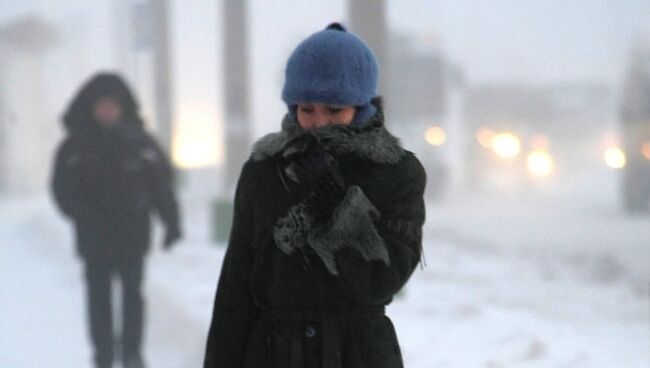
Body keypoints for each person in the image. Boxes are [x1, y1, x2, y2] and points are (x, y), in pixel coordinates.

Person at [203, 23, 426, 368]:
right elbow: (236, 288)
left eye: (334, 110)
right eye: (307, 109)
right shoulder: (265, 171)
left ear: (361, 106)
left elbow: (381, 280)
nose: (319, 123)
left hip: (357, 354)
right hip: (273, 353)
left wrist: (330, 197)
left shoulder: (395, 173)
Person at [51, 72, 182, 368]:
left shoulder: (140, 144)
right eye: (102, 104)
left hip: (132, 235)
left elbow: (161, 185)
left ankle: (132, 355)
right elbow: (61, 189)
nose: (108, 110)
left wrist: (171, 222)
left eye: (113, 104)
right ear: (92, 107)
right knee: (99, 300)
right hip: (93, 238)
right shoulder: (74, 147)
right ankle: (103, 356)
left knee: (133, 297)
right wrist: (82, 214)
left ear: (123, 107)